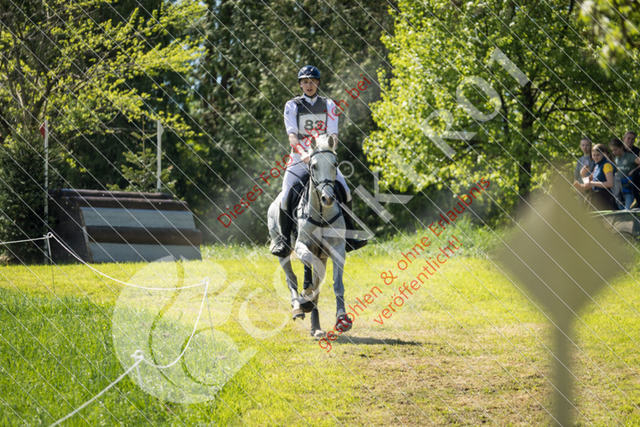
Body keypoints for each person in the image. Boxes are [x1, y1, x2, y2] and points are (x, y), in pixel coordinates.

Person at [270, 65, 367, 257]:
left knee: (345, 191)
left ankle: (349, 237)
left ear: (318, 83)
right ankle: (284, 241)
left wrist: (326, 151)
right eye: (305, 82)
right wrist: (303, 153)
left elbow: (333, 136)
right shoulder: (292, 105)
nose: (309, 85)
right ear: (300, 84)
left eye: (313, 81)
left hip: (322, 159)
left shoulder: (329, 105)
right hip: (299, 159)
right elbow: (292, 138)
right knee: (286, 196)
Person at [574, 143, 617, 210]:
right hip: (595, 198)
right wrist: (582, 174)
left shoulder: (607, 165)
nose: (595, 157)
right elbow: (588, 182)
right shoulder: (597, 166)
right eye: (593, 155)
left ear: (604, 154)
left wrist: (593, 183)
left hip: (605, 198)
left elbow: (610, 183)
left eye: (598, 155)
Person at [610, 138, 637, 209]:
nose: (614, 152)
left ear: (621, 147)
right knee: (620, 212)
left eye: (615, 149)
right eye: (612, 150)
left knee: (628, 212)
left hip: (628, 190)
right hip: (617, 192)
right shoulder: (614, 159)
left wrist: (634, 170)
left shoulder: (630, 157)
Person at [623, 130, 640, 207]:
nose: (630, 141)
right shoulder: (619, 149)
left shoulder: (637, 151)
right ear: (624, 138)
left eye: (632, 139)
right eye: (628, 138)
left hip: (632, 179)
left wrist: (634, 170)